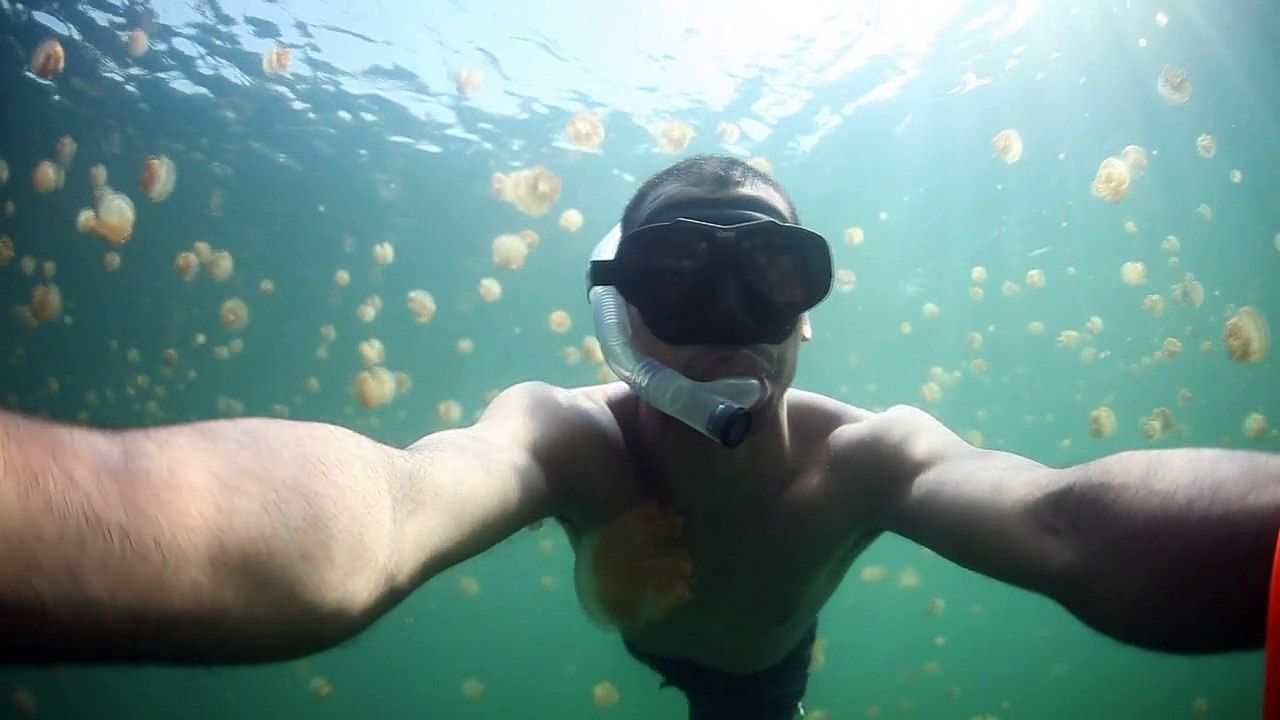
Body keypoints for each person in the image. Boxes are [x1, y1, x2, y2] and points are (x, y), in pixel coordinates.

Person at [1, 155, 1278, 720]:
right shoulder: (561, 433)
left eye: (769, 272)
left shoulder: (875, 456)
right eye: (678, 277)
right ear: (617, 315)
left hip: (760, 683)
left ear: (806, 308)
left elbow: (1064, 521)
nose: (727, 322)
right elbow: (382, 509)